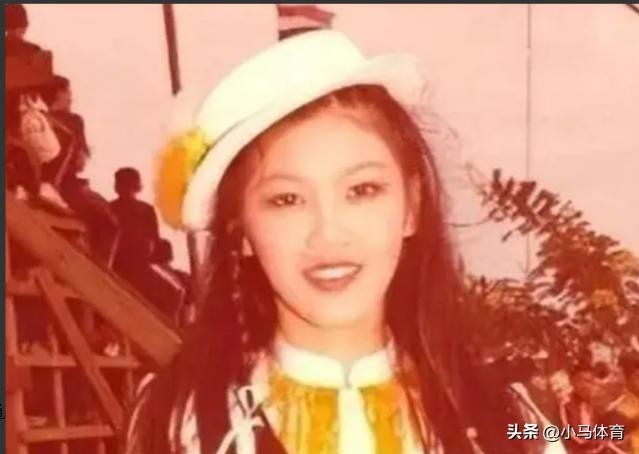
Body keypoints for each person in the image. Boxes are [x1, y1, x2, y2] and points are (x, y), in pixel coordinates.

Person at [125, 30, 564, 454]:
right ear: (240, 232)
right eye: (287, 200)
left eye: (362, 190)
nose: (329, 233)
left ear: (411, 207)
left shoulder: (509, 423)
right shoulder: (179, 422)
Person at [110, 168, 160, 291]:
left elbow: (152, 241)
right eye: (120, 183)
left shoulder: (146, 210)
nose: (122, 188)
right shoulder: (110, 208)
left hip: (137, 265)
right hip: (115, 262)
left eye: (125, 184)